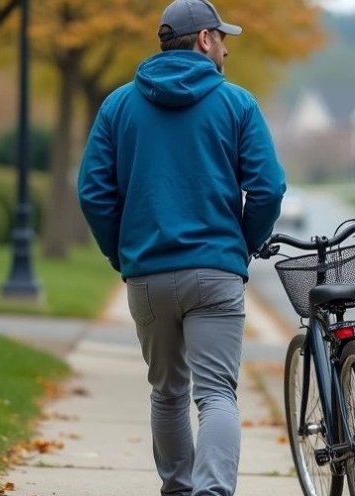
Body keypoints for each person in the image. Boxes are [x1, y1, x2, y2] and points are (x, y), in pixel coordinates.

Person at [76, 1, 286, 494]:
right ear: (203, 40)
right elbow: (269, 189)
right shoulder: (237, 105)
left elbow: (93, 192)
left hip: (148, 274)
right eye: (222, 38)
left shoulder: (118, 106)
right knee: (216, 394)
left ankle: (178, 489)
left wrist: (122, 255)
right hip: (215, 272)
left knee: (168, 393)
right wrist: (245, 243)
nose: (228, 49)